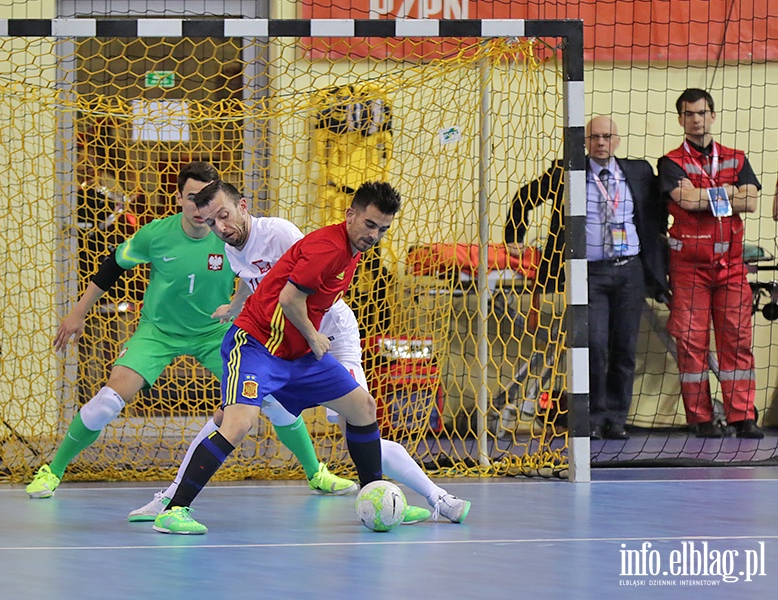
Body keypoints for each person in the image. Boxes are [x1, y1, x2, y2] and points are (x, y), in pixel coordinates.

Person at [128, 181, 468, 527]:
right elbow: (289, 298)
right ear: (351, 215)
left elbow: (280, 276)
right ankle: (173, 509)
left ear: (243, 207)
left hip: (300, 350)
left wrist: (312, 337)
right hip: (258, 346)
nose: (374, 235)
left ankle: (376, 494)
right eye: (369, 225)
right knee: (237, 423)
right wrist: (310, 334)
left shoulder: (319, 243)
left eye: (382, 229)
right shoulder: (327, 248)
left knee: (362, 408)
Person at [26, 162, 356, 497]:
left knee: (273, 401)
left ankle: (316, 473)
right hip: (158, 332)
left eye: (208, 199)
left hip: (215, 333)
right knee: (107, 402)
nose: (202, 207)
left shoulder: (232, 238)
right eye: (193, 198)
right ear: (179, 198)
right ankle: (52, 470)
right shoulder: (156, 234)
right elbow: (114, 265)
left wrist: (237, 309)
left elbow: (254, 278)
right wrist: (77, 313)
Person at [504, 116, 668, 440]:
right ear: (585, 141)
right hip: (589, 272)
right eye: (594, 137)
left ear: (617, 140)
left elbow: (659, 206)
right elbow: (525, 196)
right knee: (593, 346)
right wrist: (514, 235)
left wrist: (662, 238)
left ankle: (616, 419)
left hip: (630, 271)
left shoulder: (638, 172)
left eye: (607, 136)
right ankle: (591, 417)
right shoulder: (566, 173)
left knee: (625, 349)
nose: (601, 142)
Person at [658, 88, 763, 439]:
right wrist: (729, 192)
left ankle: (742, 416)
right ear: (680, 119)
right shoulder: (670, 162)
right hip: (689, 267)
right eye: (689, 114)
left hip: (732, 266)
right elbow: (684, 200)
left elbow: (751, 202)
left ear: (713, 116)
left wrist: (708, 195)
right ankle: (700, 417)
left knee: (737, 340)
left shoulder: (736, 156)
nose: (696, 119)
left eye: (702, 113)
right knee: (691, 344)